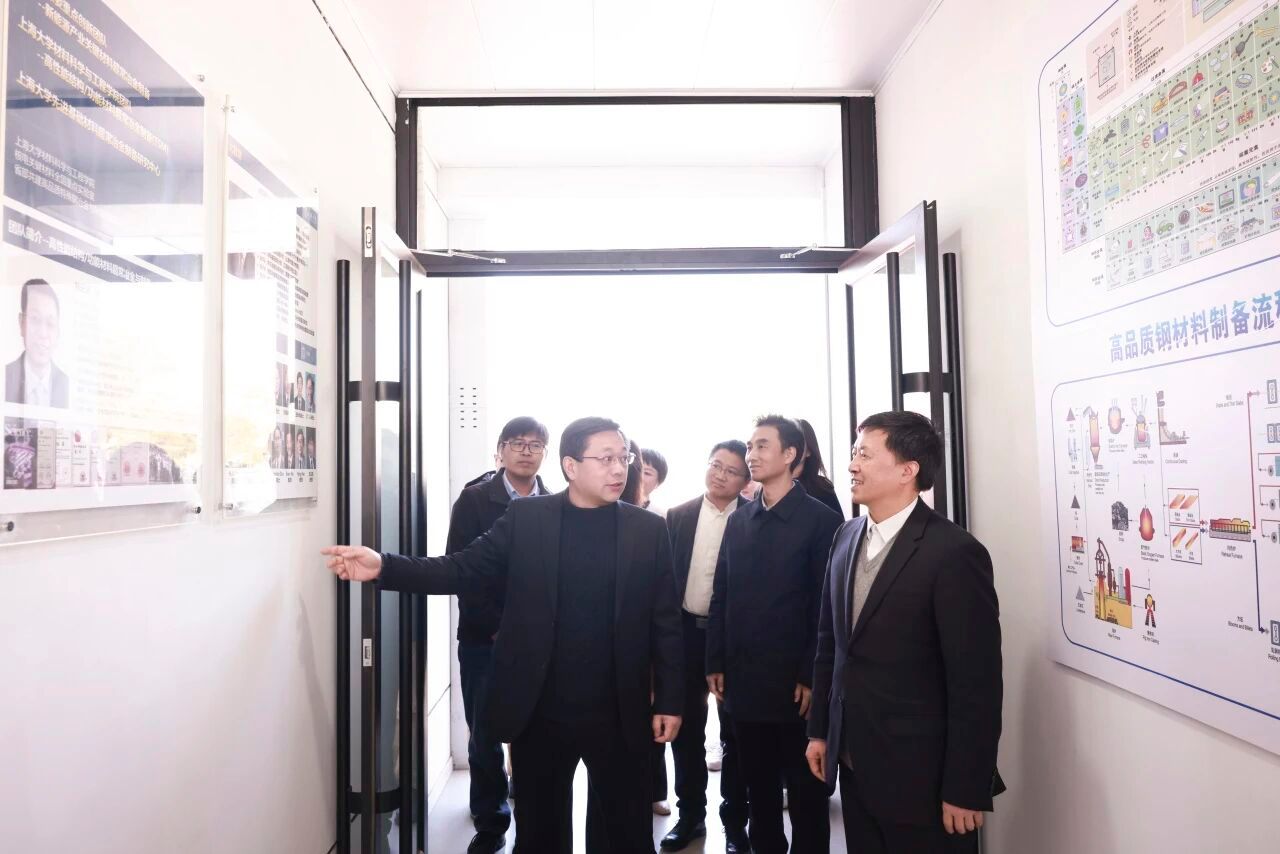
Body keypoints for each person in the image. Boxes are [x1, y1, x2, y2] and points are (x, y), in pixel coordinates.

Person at [322, 417, 685, 854]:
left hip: (619, 709)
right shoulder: (529, 519)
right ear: (570, 466)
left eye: (623, 458)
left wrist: (669, 699)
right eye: (605, 458)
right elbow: (461, 568)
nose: (619, 469)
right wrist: (385, 565)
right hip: (541, 707)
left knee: (624, 833)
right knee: (540, 833)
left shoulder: (647, 530)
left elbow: (665, 620)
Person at [805, 411, 1004, 854]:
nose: (852, 465)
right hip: (854, 764)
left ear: (907, 470)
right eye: (854, 453)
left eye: (865, 455)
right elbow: (829, 647)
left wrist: (967, 786)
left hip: (923, 778)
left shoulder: (954, 553)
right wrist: (821, 732)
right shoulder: (845, 536)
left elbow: (976, 684)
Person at [707, 415, 840, 854]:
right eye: (750, 446)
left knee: (806, 796)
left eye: (762, 445)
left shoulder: (820, 521)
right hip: (744, 681)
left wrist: (809, 674)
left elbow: (825, 606)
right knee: (759, 793)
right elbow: (722, 593)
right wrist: (715, 660)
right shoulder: (740, 519)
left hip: (796, 686)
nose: (751, 454)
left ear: (790, 455)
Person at [445, 417, 552, 853]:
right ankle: (491, 821)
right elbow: (460, 569)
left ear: (546, 453)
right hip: (483, 639)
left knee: (537, 733)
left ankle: (534, 815)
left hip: (540, 643)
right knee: (484, 734)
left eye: (535, 444)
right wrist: (498, 627)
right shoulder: (474, 499)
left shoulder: (556, 501)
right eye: (517, 443)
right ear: (501, 450)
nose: (526, 451)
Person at [659, 441, 752, 853]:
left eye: (731, 471)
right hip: (684, 636)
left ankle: (735, 824)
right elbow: (664, 584)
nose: (720, 475)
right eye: (716, 465)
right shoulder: (678, 516)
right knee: (685, 732)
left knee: (734, 734)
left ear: (746, 480)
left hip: (732, 642)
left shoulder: (753, 518)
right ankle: (690, 816)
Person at [5, 279, 70, 408]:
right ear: (22, 324)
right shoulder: (5, 376)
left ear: (58, 332)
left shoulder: (68, 385)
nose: (43, 333)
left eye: (50, 324)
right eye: (35, 319)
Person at [794, 418, 843, 519]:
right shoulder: (768, 486)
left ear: (808, 451)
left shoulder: (821, 488)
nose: (789, 448)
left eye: (796, 442)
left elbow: (838, 525)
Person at [641, 447, 669, 516]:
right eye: (636, 469)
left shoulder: (660, 516)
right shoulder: (614, 504)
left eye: (647, 473)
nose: (639, 476)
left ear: (658, 483)